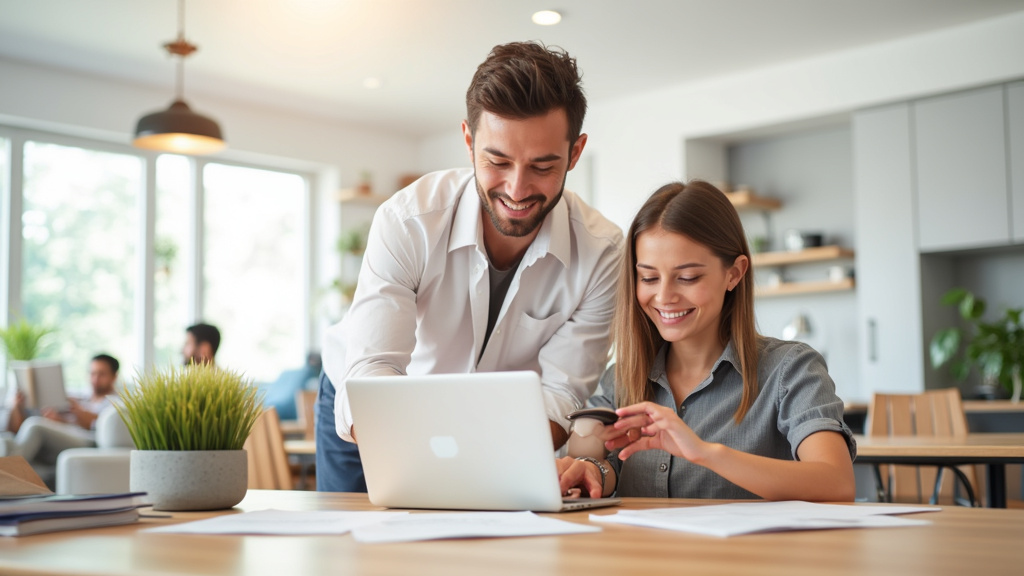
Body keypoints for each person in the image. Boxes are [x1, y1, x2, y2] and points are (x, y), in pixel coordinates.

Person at [317, 41, 623, 492]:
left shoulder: (601, 251)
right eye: (497, 161)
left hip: (496, 429)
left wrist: (476, 460)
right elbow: (374, 372)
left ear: (575, 154)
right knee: (361, 551)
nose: (517, 189)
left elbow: (561, 396)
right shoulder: (408, 221)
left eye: (543, 166)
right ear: (468, 141)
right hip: (370, 410)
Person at [557, 181, 856, 501]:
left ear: (734, 273)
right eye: (649, 277)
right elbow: (604, 460)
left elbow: (836, 483)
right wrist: (593, 469)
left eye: (687, 277)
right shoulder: (622, 378)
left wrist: (704, 453)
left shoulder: (790, 370)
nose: (664, 296)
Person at [0, 354, 120, 485]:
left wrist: (78, 414)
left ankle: (5, 476)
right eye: (92, 373)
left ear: (114, 376)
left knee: (35, 426)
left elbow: (103, 426)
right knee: (9, 442)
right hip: (69, 435)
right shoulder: (82, 397)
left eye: (101, 374)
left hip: (89, 440)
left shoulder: (114, 403)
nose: (95, 379)